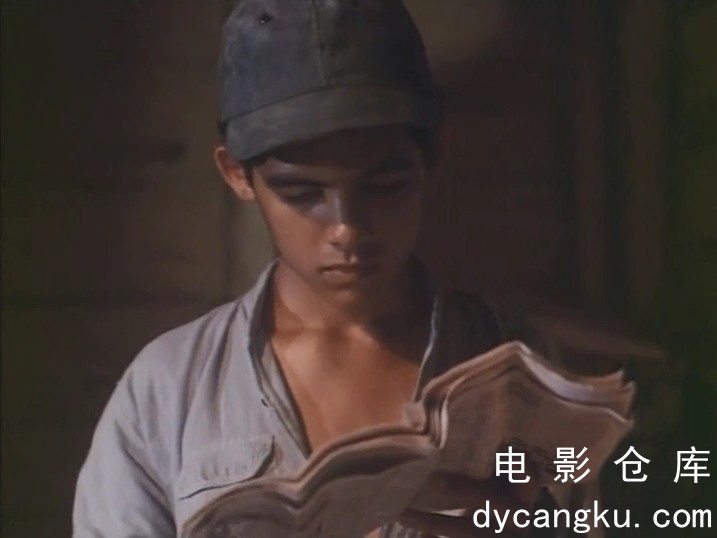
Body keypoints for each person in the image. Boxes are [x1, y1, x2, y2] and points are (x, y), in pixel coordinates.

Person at [73, 1, 600, 537]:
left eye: (385, 186)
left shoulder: (520, 373)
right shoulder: (169, 389)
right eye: (302, 193)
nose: (347, 228)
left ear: (431, 156)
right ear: (237, 174)